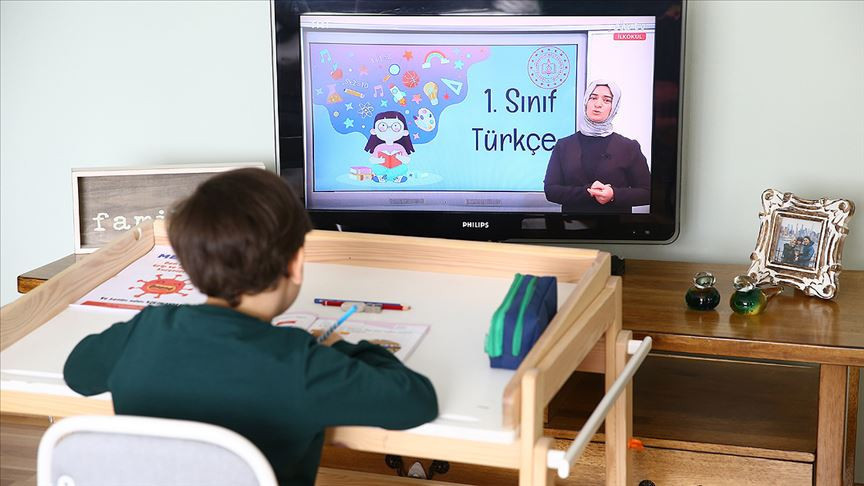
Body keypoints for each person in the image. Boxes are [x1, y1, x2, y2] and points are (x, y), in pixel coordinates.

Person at [63, 168, 438, 486]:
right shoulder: (298, 363)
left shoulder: (148, 329)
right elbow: (417, 401)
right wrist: (337, 346)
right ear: (296, 264)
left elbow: (77, 372)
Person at [544, 79, 651, 212]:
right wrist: (587, 192)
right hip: (572, 223)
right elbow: (551, 190)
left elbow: (647, 192)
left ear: (614, 107)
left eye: (607, 100)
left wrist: (614, 195)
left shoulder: (629, 147)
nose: (598, 104)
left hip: (616, 223)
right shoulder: (564, 145)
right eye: (593, 98)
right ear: (586, 102)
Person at [364, 111, 415, 183]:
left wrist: (400, 158)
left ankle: (389, 177)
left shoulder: (400, 147)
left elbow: (407, 160)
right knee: (376, 167)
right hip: (383, 167)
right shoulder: (379, 147)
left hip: (396, 167)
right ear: (374, 131)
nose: (389, 130)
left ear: (404, 132)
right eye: (383, 126)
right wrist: (379, 161)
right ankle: (390, 177)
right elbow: (372, 159)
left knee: (404, 167)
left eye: (396, 126)